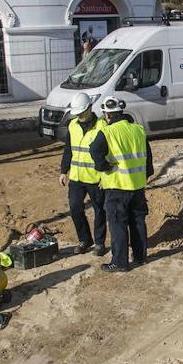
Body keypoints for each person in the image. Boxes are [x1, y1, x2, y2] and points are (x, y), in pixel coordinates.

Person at [90, 96, 154, 273]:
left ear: (107, 115)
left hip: (117, 186)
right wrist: (145, 175)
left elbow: (94, 150)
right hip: (137, 186)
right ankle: (141, 257)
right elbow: (148, 157)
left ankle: (120, 262)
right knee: (138, 222)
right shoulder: (138, 130)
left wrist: (103, 167)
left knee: (118, 224)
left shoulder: (108, 132)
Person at [59, 91, 107, 256]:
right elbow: (68, 150)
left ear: (89, 108)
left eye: (81, 113)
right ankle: (85, 240)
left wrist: (105, 176)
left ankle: (100, 243)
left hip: (95, 178)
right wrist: (63, 171)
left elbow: (108, 153)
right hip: (77, 178)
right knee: (75, 207)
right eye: (77, 114)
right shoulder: (72, 125)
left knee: (99, 210)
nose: (79, 116)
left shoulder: (102, 126)